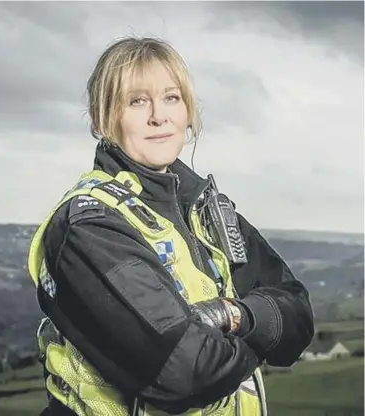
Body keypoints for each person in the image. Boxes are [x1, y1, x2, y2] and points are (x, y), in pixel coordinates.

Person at [27, 36, 314, 416]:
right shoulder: (88, 226)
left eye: (171, 97)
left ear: (187, 111)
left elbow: (298, 314)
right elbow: (186, 371)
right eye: (136, 101)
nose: (158, 116)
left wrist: (234, 315)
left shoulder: (206, 208)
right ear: (101, 120)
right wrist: (261, 331)